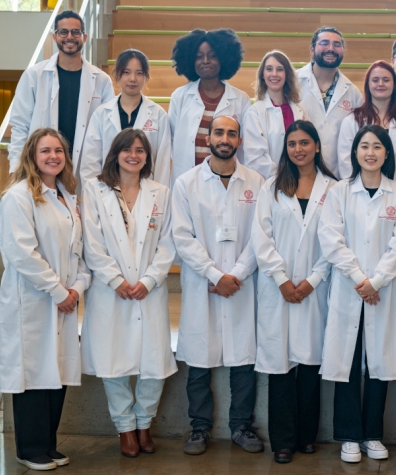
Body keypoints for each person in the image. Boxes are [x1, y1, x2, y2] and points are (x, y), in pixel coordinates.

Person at [318, 125, 396, 464]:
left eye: (377, 147)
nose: (370, 152)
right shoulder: (339, 192)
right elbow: (331, 239)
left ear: (387, 153)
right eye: (364, 146)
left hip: (383, 291)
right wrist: (362, 279)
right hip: (350, 288)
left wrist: (378, 280)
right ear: (355, 153)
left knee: (379, 362)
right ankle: (348, 435)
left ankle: (372, 433)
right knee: (347, 362)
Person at [171, 116, 265, 456]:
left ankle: (241, 426)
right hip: (203, 285)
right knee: (199, 361)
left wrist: (236, 274)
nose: (225, 138)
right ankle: (199, 428)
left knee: (243, 361)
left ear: (240, 140)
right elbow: (182, 237)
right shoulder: (186, 183)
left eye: (231, 133)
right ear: (208, 138)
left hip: (241, 284)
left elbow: (261, 236)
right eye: (219, 132)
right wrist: (215, 275)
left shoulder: (256, 182)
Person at [80, 129, 177, 458]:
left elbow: (168, 243)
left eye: (140, 150)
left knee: (154, 362)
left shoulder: (161, 193)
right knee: (113, 362)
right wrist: (115, 279)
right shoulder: (95, 190)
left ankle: (144, 423)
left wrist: (149, 280)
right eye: (127, 149)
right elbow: (90, 242)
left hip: (149, 290)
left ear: (148, 157)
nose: (133, 155)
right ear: (115, 153)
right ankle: (125, 428)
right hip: (111, 292)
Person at [0, 128, 90, 471]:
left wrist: (77, 288)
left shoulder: (68, 197)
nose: (53, 156)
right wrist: (57, 291)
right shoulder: (18, 197)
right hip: (34, 301)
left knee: (57, 370)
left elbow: (78, 251)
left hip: (64, 299)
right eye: (45, 151)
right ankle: (29, 448)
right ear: (32, 157)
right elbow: (21, 253)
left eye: (58, 151)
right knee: (33, 372)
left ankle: (49, 444)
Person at [252, 120, 338, 464]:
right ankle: (283, 441)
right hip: (279, 289)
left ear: (317, 146)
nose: (298, 149)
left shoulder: (334, 189)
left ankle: (306, 437)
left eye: (305, 142)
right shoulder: (272, 187)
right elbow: (261, 238)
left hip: (315, 289)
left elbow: (335, 242)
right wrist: (282, 279)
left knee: (310, 366)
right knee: (281, 368)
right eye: (292, 143)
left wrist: (313, 280)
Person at [8, 10, 114, 176]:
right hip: (41, 169)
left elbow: (107, 131)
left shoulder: (102, 80)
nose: (70, 37)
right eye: (63, 32)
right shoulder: (34, 76)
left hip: (85, 170)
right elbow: (20, 126)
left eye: (76, 32)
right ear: (54, 37)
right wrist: (15, 167)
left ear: (84, 37)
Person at [168, 28, 251, 185]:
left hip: (226, 180)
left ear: (224, 59)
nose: (205, 60)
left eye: (212, 56)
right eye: (199, 57)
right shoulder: (180, 97)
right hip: (187, 181)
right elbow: (172, 140)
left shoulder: (241, 100)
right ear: (191, 61)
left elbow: (243, 146)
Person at [80, 49, 172, 189]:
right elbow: (90, 162)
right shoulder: (101, 114)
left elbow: (163, 163)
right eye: (126, 72)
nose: (133, 78)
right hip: (107, 191)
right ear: (117, 75)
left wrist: (158, 196)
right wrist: (95, 195)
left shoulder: (158, 115)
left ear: (146, 77)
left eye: (139, 73)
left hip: (146, 192)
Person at [297, 27, 363, 178]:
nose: (331, 49)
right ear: (312, 49)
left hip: (338, 177)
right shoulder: (292, 83)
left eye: (337, 45)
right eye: (325, 43)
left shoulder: (353, 94)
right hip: (297, 174)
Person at [337, 61, 396, 181]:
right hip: (359, 193)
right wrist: (361, 190)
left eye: (386, 80)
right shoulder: (352, 121)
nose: (380, 84)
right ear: (368, 85)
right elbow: (346, 162)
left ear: (394, 85)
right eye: (375, 80)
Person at [240, 50, 307, 180]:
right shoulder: (254, 112)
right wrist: (283, 177)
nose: (274, 74)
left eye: (280, 69)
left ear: (287, 75)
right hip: (269, 183)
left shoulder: (301, 111)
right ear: (262, 75)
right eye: (269, 69)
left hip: (300, 180)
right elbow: (255, 159)